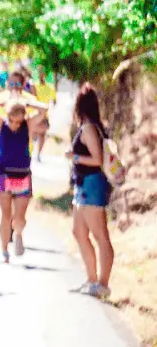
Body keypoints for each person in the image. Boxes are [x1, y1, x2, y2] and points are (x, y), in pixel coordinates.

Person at [0, 97, 49, 262]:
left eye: (18, 121)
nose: (14, 124)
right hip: (3, 173)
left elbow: (43, 109)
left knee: (19, 216)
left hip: (22, 174)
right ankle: (4, 250)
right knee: (5, 215)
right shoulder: (0, 124)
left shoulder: (28, 125)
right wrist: (5, 103)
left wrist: (27, 104)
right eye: (12, 120)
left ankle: (18, 233)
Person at [67, 84, 114, 299]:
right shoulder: (91, 125)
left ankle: (102, 284)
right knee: (78, 231)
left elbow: (96, 159)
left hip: (91, 185)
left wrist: (74, 157)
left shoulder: (88, 128)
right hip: (82, 185)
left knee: (100, 236)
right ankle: (92, 279)